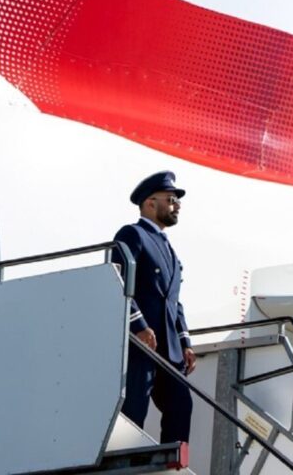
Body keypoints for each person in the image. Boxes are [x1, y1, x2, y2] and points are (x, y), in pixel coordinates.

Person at [114, 170, 195, 445]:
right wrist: (138, 326)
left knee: (181, 404)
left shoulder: (170, 250)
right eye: (171, 199)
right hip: (141, 344)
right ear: (151, 203)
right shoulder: (132, 234)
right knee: (134, 409)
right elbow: (117, 278)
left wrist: (185, 341)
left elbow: (174, 301)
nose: (177, 205)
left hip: (168, 348)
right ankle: (125, 460)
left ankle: (174, 464)